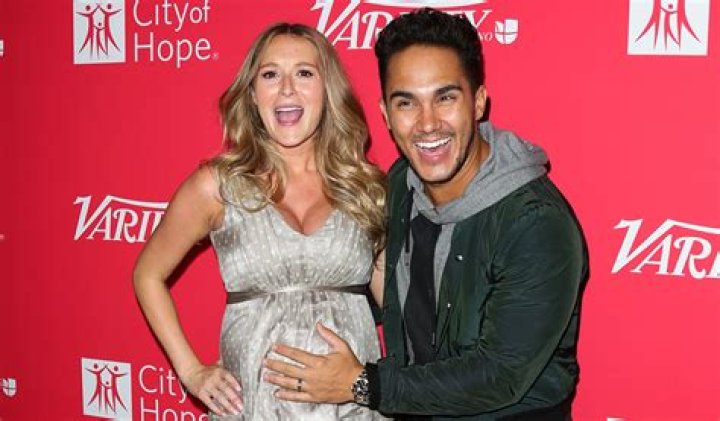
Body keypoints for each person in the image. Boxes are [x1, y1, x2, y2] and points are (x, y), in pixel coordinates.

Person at [264, 8, 589, 420]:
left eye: (445, 98)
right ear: (386, 114)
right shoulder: (402, 183)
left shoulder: (534, 223)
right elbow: (379, 294)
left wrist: (361, 384)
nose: (427, 124)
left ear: (478, 103)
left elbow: (499, 375)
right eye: (407, 103)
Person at [133, 22, 388, 420]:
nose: (286, 88)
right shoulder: (217, 186)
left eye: (304, 73)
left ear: (328, 89)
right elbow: (147, 274)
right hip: (255, 405)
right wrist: (191, 372)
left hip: (351, 409)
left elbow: (397, 305)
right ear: (252, 95)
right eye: (270, 75)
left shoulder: (366, 188)